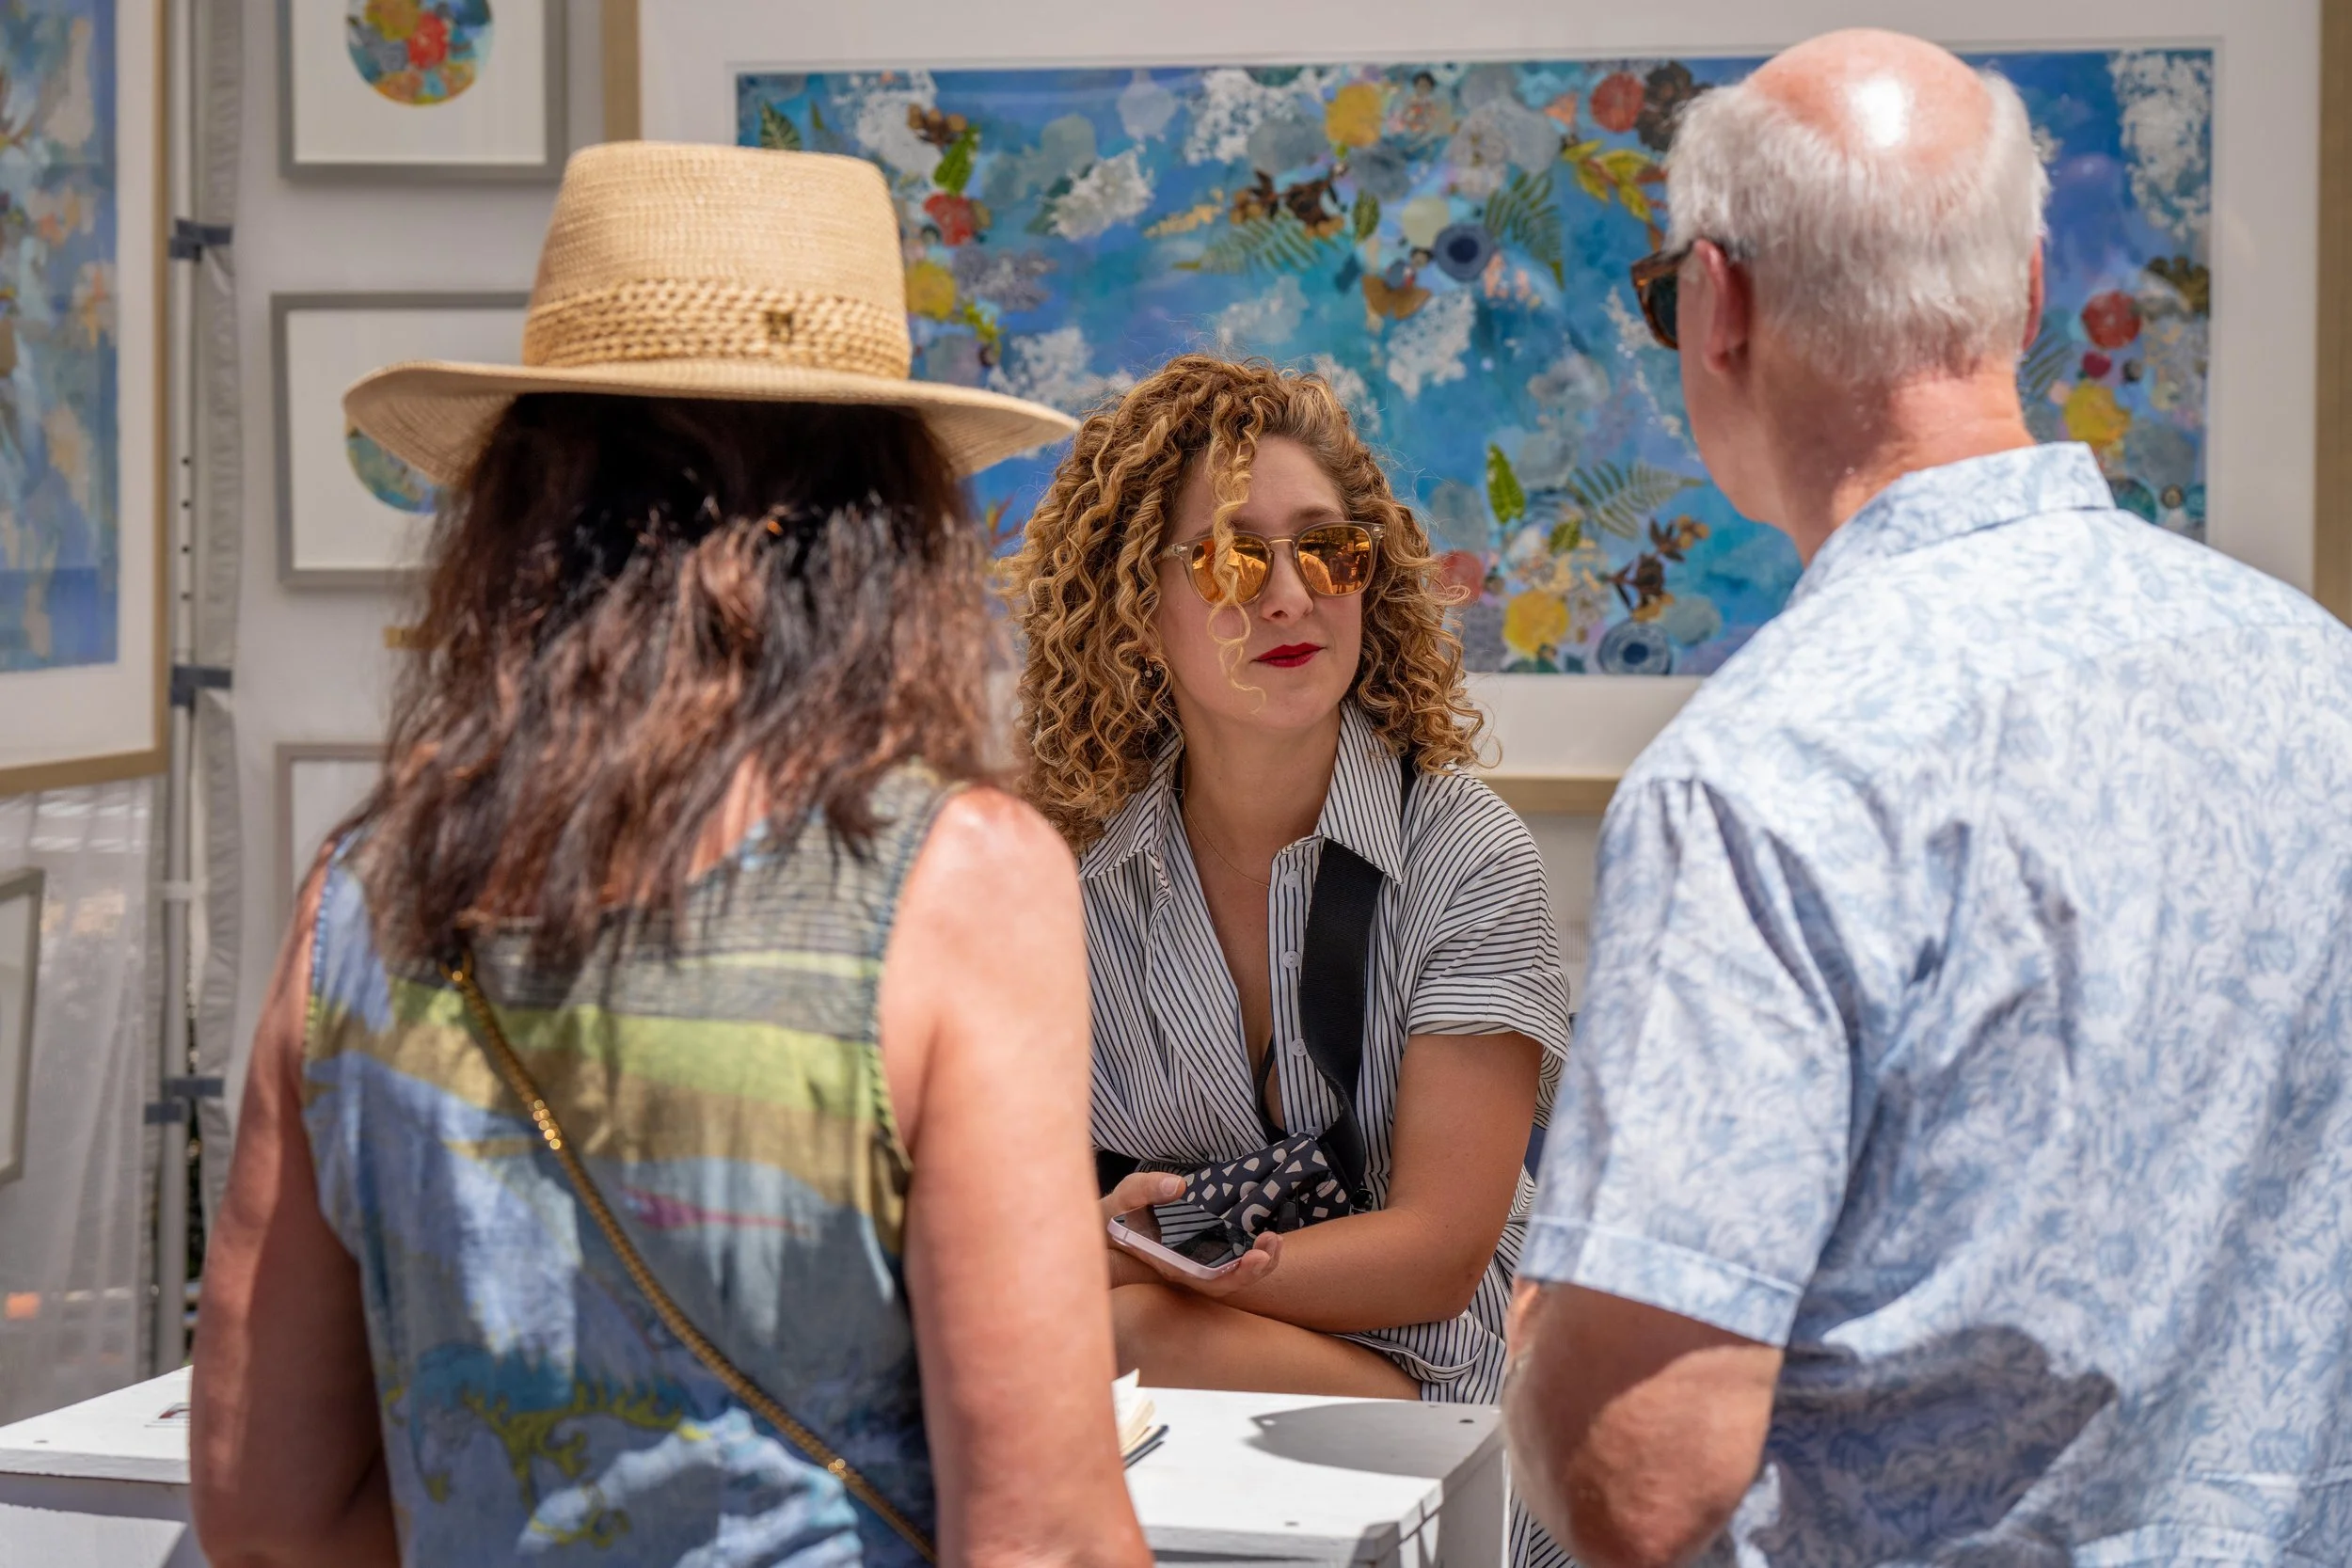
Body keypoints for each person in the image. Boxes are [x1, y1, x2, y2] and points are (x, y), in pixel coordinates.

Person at [189, 142, 1151, 1568]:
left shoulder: (364, 894)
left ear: (526, 506)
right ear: (887, 527)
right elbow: (1046, 1543)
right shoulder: (958, 885)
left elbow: (266, 1516)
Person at [1504, 28, 2352, 1568]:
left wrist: (1549, 1335)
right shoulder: (2321, 681)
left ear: (1717, 304)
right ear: (2027, 293)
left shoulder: (1761, 775)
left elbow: (1643, 1472)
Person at [1006, 355, 1576, 1568]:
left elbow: (1438, 1255)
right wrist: (1097, 1254)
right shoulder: (1069, 876)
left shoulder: (1468, 854)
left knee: (1102, 1337)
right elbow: (1020, 1217)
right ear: (1133, 606)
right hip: (1173, 1406)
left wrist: (1143, 1263)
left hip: (1459, 1390)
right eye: (1229, 558)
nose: (1286, 599)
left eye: (1326, 552)